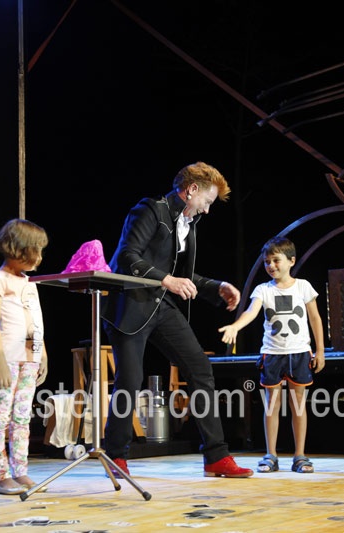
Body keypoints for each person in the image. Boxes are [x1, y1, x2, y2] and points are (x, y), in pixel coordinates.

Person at [101, 161, 253, 478]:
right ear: (192, 190)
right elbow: (128, 257)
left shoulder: (187, 224)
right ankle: (115, 456)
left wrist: (216, 287)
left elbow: (183, 275)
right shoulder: (150, 210)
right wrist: (166, 280)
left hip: (160, 306)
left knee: (200, 368)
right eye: (207, 201)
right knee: (130, 381)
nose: (207, 210)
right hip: (129, 306)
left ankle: (216, 457)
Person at [218, 236, 325, 474]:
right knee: (271, 405)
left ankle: (300, 456)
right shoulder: (263, 290)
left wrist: (320, 351)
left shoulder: (303, 286)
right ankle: (271, 455)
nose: (271, 266)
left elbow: (315, 318)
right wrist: (235, 326)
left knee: (298, 405)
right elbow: (251, 311)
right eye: (267, 261)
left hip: (299, 352)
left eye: (276, 260)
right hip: (272, 354)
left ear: (291, 261)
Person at [0, 218, 50, 495]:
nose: (40, 257)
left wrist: (42, 352)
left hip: (29, 359)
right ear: (19, 249)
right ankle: (1, 476)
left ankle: (20, 471)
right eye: (36, 250)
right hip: (7, 359)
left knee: (22, 418)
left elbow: (36, 319)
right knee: (0, 417)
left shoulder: (30, 282)